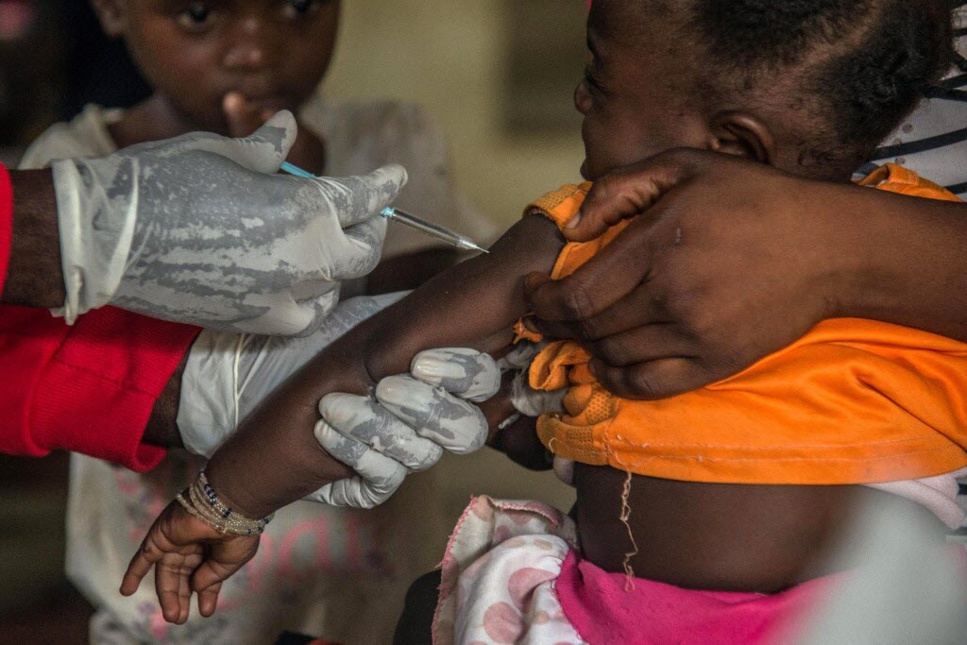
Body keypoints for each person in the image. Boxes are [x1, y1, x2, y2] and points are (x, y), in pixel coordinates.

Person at [121, 0, 967, 642]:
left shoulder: (590, 223)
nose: (576, 95)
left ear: (731, 152)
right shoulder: (928, 239)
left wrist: (221, 497)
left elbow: (377, 355)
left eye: (597, 80)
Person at [16, 0, 498, 642]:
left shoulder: (388, 142)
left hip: (362, 589)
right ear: (109, 9)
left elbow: (434, 307)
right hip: (169, 592)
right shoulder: (73, 167)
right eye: (196, 15)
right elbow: (59, 360)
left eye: (298, 8)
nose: (255, 50)